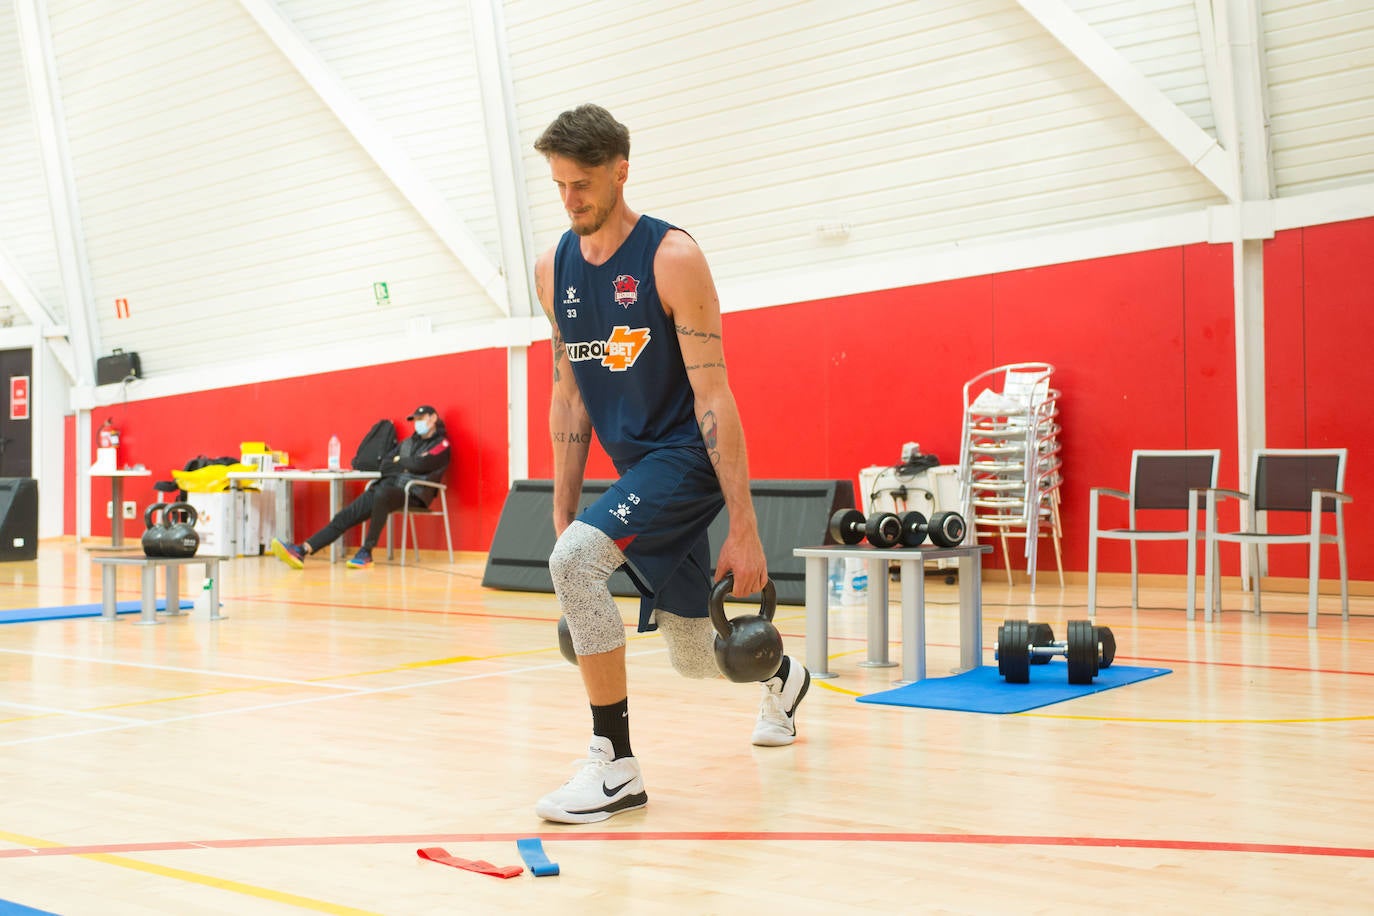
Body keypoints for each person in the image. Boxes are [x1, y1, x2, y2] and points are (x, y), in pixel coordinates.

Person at [530, 104, 810, 825]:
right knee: (691, 653)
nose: (570, 199)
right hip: (636, 473)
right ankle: (783, 677)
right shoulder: (553, 268)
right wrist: (562, 508)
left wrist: (745, 530)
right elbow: (569, 395)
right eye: (560, 185)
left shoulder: (671, 257)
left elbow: (715, 394)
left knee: (574, 566)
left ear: (621, 170)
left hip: (687, 458)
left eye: (582, 183)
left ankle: (616, 767)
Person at [270, 406, 450, 569]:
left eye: (421, 418)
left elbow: (421, 464)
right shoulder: (407, 443)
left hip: (414, 492)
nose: (418, 423)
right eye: (416, 420)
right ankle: (302, 550)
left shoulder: (442, 444)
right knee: (347, 514)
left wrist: (401, 462)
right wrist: (406, 463)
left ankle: (366, 552)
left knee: (382, 493)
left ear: (433, 418)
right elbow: (384, 464)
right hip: (387, 489)